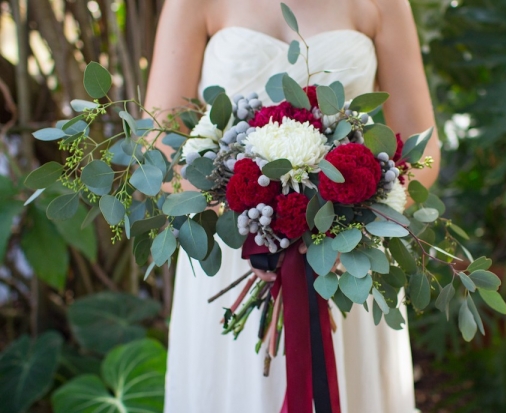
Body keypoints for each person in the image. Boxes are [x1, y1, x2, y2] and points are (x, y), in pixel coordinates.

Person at [144, 0, 440, 412]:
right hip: (232, 252)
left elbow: (422, 154)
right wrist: (250, 224)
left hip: (346, 256)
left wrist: (350, 223)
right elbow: (158, 148)